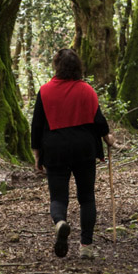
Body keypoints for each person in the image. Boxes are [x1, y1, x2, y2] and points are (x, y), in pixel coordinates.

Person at [30, 48, 114, 259]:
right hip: (84, 149)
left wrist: (37, 155)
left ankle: (60, 222)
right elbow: (99, 121)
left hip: (55, 149)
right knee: (86, 198)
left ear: (57, 66)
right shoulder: (87, 90)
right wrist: (108, 138)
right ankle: (86, 246)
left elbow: (37, 126)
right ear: (79, 67)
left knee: (58, 198)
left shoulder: (45, 91)